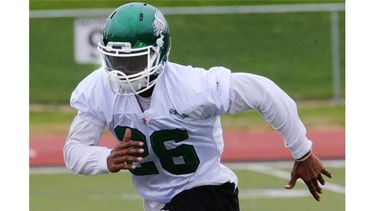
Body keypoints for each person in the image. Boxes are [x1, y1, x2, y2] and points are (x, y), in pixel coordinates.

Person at [63, 2, 332, 211]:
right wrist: (105, 159)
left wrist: (303, 152)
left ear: (160, 53)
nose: (121, 72)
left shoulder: (193, 87)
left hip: (208, 193)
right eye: (114, 61)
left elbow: (263, 92)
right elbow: (74, 150)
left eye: (133, 63)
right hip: (160, 202)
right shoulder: (98, 87)